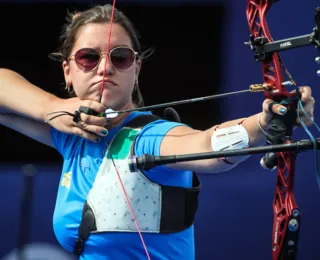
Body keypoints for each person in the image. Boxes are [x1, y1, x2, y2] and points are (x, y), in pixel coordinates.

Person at [0, 4, 315, 260]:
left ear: (136, 69)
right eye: (88, 57)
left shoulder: (149, 136)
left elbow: (205, 146)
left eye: (120, 57)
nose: (105, 67)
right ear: (68, 70)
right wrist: (52, 108)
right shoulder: (71, 137)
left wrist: (261, 124)